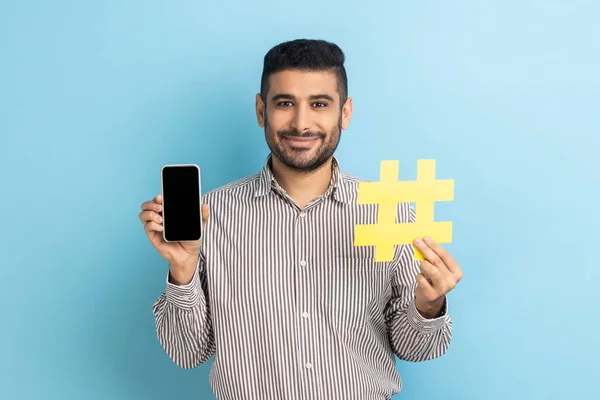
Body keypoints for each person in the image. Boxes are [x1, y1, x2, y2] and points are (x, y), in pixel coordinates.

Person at [139, 38, 463, 400]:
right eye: (285, 103)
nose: (301, 123)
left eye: (320, 104)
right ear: (262, 111)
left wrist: (428, 305)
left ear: (345, 112)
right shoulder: (210, 216)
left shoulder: (392, 210)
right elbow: (187, 353)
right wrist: (182, 271)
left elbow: (417, 349)